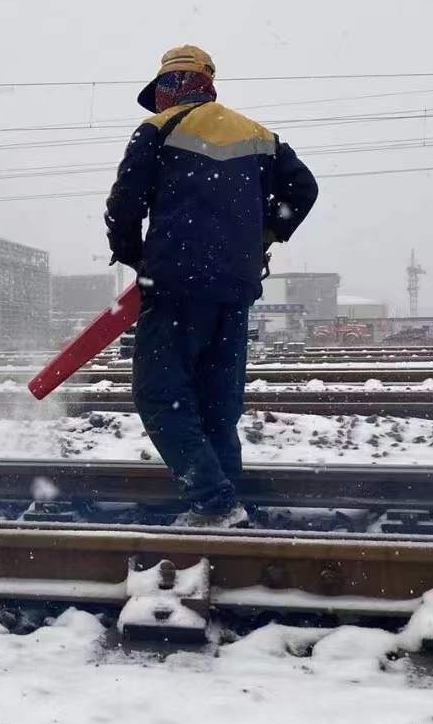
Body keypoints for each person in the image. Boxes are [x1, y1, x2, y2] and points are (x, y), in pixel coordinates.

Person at [105, 45, 318, 527]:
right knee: (217, 404)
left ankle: (214, 502)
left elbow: (124, 205)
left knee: (160, 395)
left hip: (176, 285)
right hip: (236, 289)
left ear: (167, 88)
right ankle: (229, 504)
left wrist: (140, 258)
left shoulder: (158, 131)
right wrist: (264, 235)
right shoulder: (261, 136)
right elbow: (304, 191)